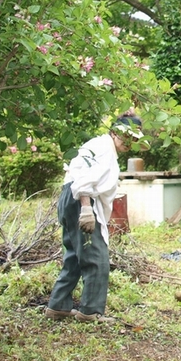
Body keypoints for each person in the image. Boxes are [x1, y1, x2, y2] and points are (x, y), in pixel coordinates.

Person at [45, 112, 146, 323]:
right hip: (81, 201)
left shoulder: (102, 146)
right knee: (97, 259)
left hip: (71, 199)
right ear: (114, 132)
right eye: (125, 136)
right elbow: (83, 179)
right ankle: (90, 312)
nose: (129, 142)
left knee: (74, 257)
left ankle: (58, 306)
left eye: (133, 138)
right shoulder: (102, 148)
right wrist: (86, 209)